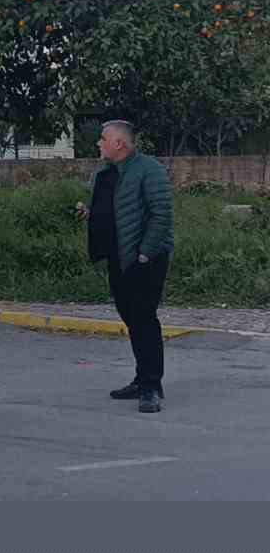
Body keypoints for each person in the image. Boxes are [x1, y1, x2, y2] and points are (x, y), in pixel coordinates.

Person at [77, 120, 175, 413]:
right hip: (117, 257)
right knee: (131, 318)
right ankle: (140, 378)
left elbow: (162, 214)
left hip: (146, 259)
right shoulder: (105, 172)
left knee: (144, 318)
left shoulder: (149, 169)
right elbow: (114, 207)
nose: (99, 143)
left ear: (120, 143)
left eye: (103, 138)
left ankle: (151, 387)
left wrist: (146, 252)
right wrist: (90, 213)